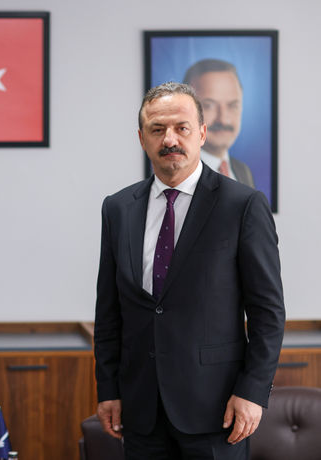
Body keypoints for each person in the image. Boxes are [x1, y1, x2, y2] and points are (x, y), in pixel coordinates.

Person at [94, 82, 285, 459]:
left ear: (201, 133)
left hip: (218, 409)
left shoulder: (242, 205)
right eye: (157, 129)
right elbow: (109, 312)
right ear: (142, 138)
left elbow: (268, 312)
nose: (170, 139)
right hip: (141, 410)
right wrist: (108, 389)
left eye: (181, 128)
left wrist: (252, 391)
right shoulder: (117, 208)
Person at [183, 59, 255, 188]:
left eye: (232, 105)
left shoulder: (243, 171)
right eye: (209, 105)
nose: (223, 119)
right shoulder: (177, 176)